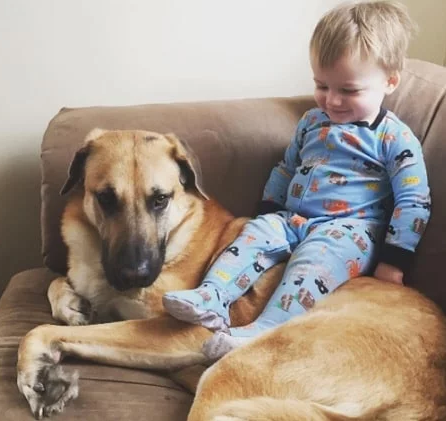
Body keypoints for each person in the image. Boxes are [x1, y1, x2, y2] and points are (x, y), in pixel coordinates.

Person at [163, 0, 431, 359]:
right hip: (292, 219)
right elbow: (287, 168)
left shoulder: (394, 139)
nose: (332, 100)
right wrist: (267, 212)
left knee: (311, 267)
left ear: (390, 81)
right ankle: (211, 296)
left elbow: (414, 202)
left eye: (348, 90)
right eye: (322, 85)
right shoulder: (311, 122)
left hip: (349, 231)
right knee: (251, 235)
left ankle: (264, 331)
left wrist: (394, 261)